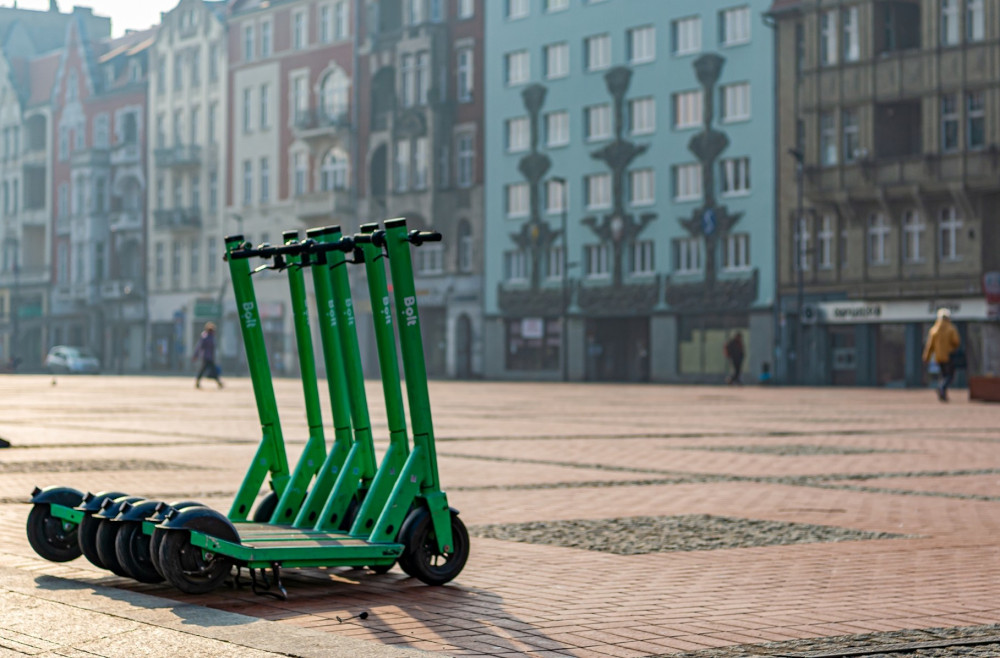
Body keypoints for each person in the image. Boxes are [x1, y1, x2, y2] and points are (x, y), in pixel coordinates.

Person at [922, 308, 960, 402]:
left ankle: (943, 394)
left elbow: (930, 345)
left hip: (938, 357)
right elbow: (956, 342)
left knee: (943, 375)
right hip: (949, 356)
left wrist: (926, 357)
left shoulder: (934, 330)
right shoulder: (951, 329)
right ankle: (942, 388)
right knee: (949, 376)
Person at [192, 322, 223, 389]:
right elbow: (199, 347)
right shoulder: (205, 337)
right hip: (206, 357)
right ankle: (219, 382)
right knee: (210, 370)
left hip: (210, 357)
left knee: (205, 370)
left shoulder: (211, 337)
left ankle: (198, 382)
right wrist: (196, 355)